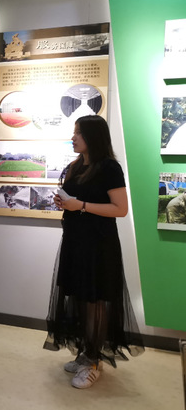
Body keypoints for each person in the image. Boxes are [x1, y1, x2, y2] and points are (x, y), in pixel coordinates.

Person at [46, 115, 143, 389]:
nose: (73, 137)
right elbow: (74, 200)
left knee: (95, 302)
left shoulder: (109, 167)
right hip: (75, 242)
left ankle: (93, 361)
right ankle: (85, 352)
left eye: (78, 132)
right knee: (79, 298)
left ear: (93, 136)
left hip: (98, 245)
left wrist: (81, 205)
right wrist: (65, 202)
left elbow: (120, 209)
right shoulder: (76, 166)